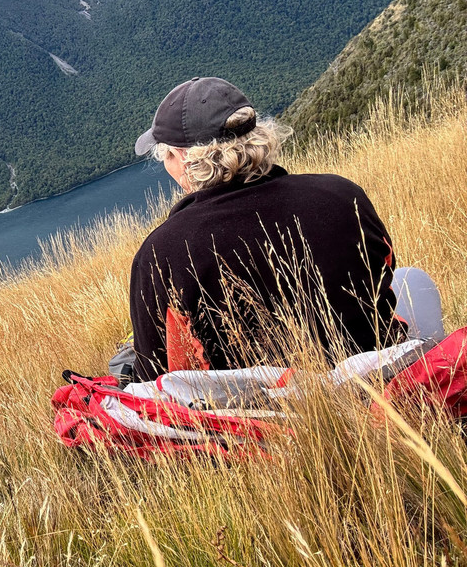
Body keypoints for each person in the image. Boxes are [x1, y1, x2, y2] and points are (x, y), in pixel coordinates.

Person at [128, 76, 438, 383]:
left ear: (183, 157)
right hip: (381, 383)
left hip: (262, 420)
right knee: (411, 278)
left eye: (166, 155)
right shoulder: (343, 195)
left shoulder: (160, 254)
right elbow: (382, 277)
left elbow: (159, 379)